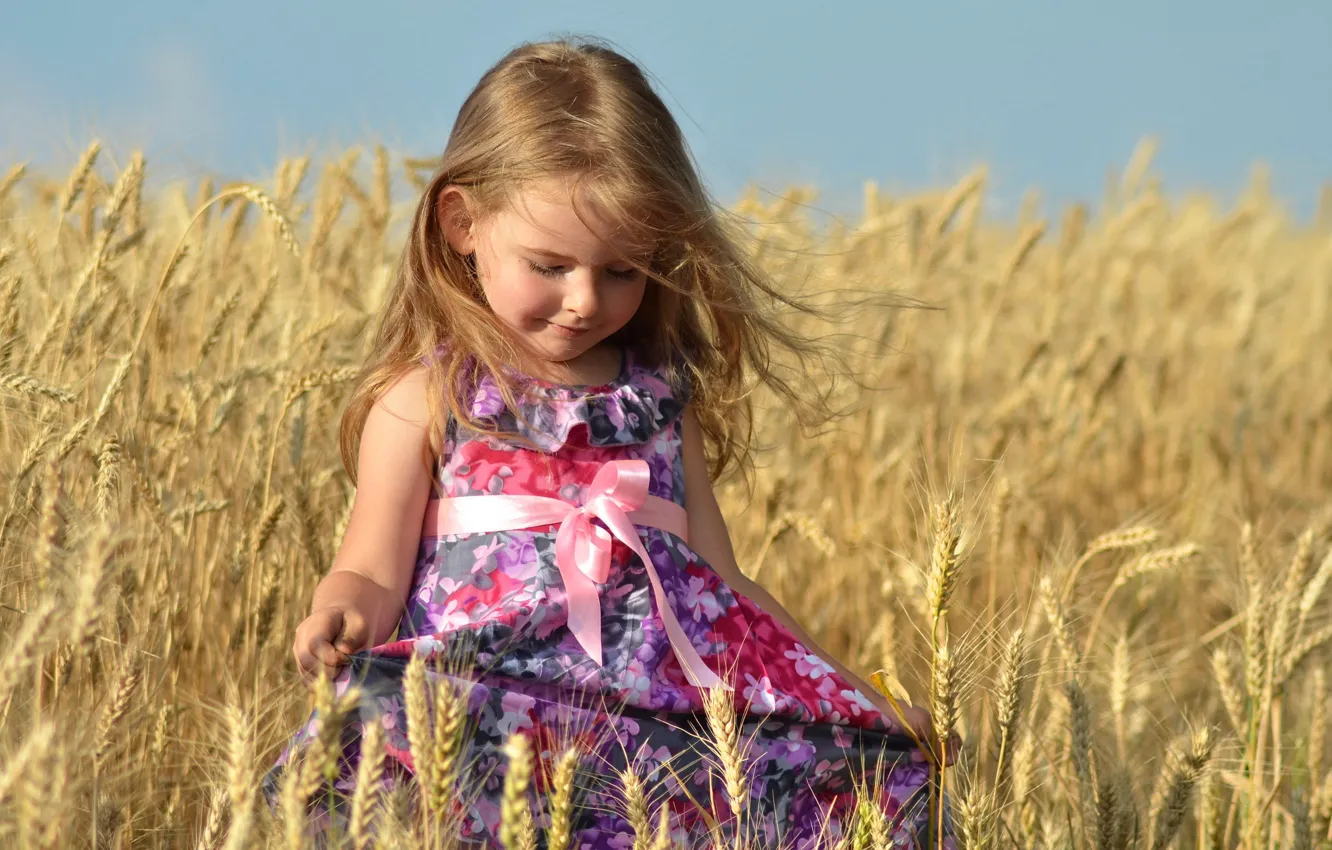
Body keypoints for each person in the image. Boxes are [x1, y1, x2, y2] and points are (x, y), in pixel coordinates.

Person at [265, 36, 957, 849]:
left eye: (623, 271)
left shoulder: (661, 406)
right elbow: (375, 569)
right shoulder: (427, 401)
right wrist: (339, 614)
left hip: (658, 742)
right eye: (548, 265)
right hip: (486, 718)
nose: (585, 300)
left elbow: (727, 593)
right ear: (462, 223)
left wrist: (856, 705)